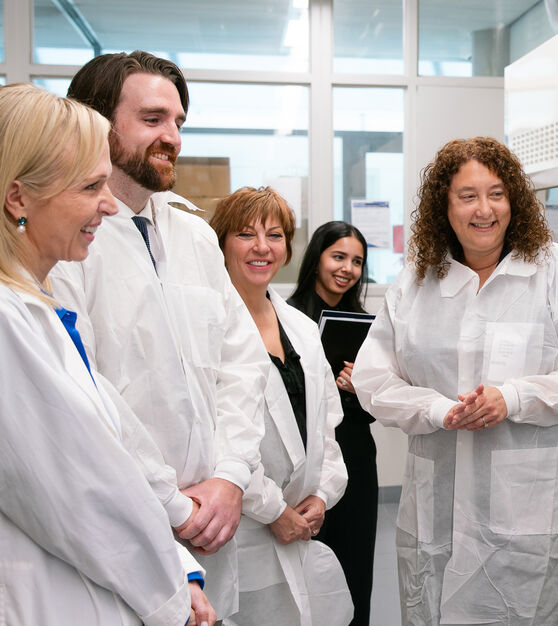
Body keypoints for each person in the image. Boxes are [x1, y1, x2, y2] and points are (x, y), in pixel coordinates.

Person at [351, 136, 558, 624]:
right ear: (443, 206)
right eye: (467, 196)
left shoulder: (556, 271)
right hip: (438, 512)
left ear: (513, 200)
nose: (484, 210)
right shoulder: (416, 280)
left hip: (535, 526)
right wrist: (435, 409)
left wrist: (512, 398)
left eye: (496, 193)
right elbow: (372, 377)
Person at [49, 51, 268, 621]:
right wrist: (173, 506)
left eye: (178, 122)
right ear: (97, 122)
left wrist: (230, 477)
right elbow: (85, 394)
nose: (172, 136)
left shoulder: (194, 234)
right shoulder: (69, 242)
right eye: (152, 120)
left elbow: (242, 364)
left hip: (215, 521)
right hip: (128, 525)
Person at [0, 83, 214, 625]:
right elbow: (82, 494)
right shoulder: (8, 322)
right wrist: (171, 593)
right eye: (91, 185)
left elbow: (111, 445)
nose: (109, 203)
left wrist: (177, 554)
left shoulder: (35, 309)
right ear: (18, 198)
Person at [210, 187, 353, 625]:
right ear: (221, 243)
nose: (261, 247)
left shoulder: (303, 329)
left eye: (274, 235)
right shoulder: (209, 326)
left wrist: (323, 495)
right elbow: (217, 436)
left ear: (288, 247)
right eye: (245, 234)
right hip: (241, 525)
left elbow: (328, 426)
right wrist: (273, 510)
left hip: (303, 521)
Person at [289, 221, 378, 625]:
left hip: (356, 457)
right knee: (303, 571)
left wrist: (360, 390)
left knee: (355, 566)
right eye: (338, 257)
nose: (348, 269)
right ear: (317, 258)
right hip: (306, 459)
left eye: (357, 261)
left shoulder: (368, 327)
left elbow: (376, 408)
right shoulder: (286, 318)